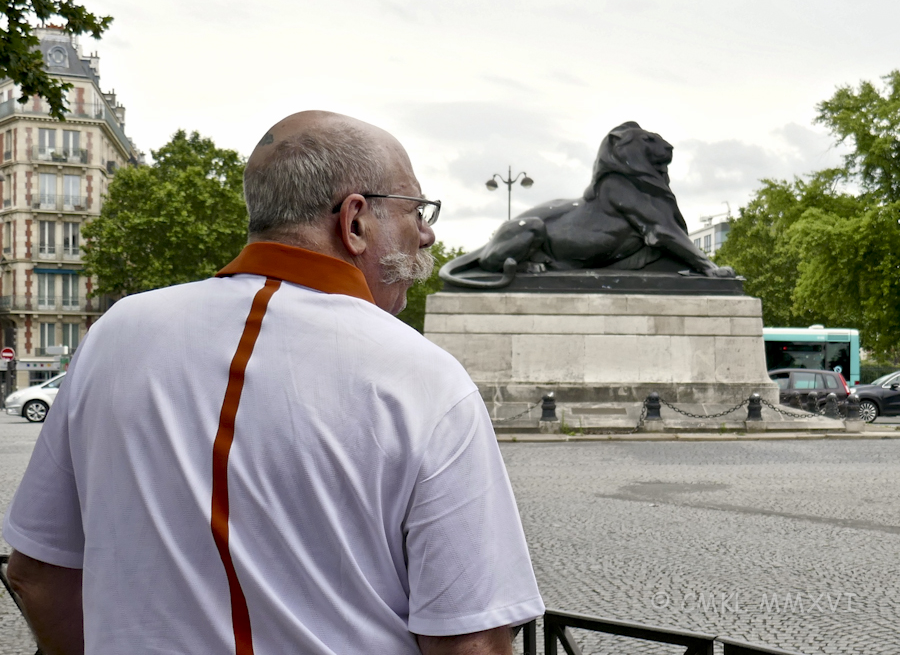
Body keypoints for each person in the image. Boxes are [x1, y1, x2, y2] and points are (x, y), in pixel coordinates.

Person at [3, 111, 543, 655]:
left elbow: (37, 574)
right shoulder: (423, 377)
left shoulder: (115, 334)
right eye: (414, 211)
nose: (427, 234)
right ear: (354, 221)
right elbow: (471, 640)